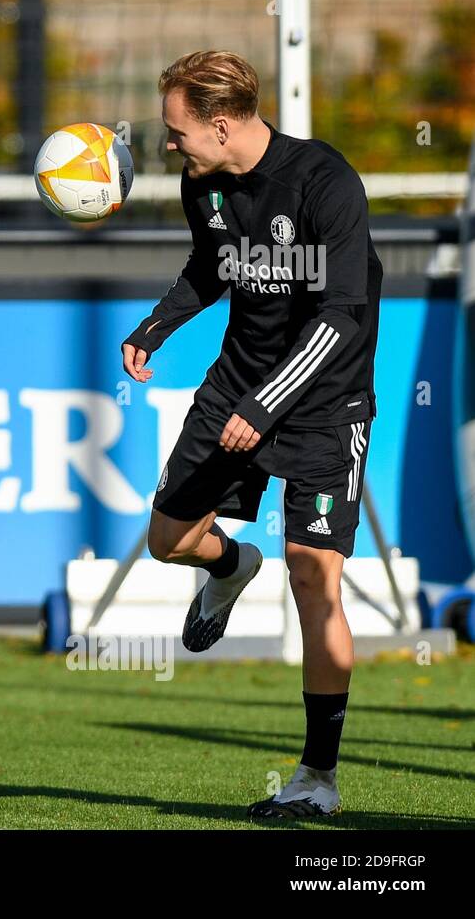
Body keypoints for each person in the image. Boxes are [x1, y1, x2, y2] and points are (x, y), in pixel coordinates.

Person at [122, 51, 381, 817]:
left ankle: (317, 779)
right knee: (168, 539)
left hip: (326, 403)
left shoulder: (326, 183)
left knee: (314, 574)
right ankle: (232, 566)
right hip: (237, 386)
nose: (170, 146)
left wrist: (268, 405)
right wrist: (158, 325)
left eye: (177, 133)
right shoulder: (200, 183)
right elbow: (213, 265)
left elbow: (343, 316)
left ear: (222, 124)